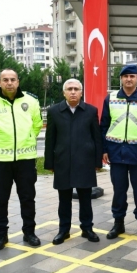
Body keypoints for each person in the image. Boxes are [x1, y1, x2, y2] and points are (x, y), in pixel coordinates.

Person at [0, 69, 43, 250]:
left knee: (28, 198)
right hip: (0, 160)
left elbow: (37, 124)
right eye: (5, 80)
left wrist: (29, 136)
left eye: (13, 79)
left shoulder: (31, 101)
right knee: (0, 200)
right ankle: (1, 235)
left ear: (18, 81)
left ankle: (29, 232)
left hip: (26, 159)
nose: (9, 83)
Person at [100, 64, 137, 240]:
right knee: (119, 191)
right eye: (125, 77)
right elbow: (104, 126)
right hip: (116, 153)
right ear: (121, 79)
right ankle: (119, 224)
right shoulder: (110, 99)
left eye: (132, 76)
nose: (129, 79)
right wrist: (104, 149)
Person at [44, 79, 102, 245]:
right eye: (69, 89)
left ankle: (87, 228)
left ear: (81, 92)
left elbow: (96, 138)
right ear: (64, 93)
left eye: (76, 89)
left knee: (85, 198)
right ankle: (64, 230)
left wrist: (97, 161)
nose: (73, 92)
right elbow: (50, 139)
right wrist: (50, 163)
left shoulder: (91, 111)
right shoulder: (54, 111)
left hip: (85, 162)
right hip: (63, 163)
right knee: (64, 199)